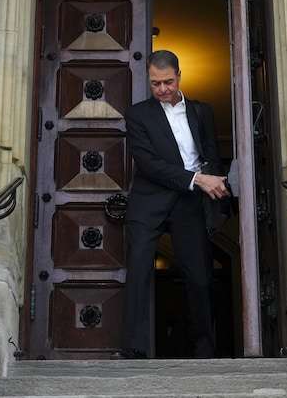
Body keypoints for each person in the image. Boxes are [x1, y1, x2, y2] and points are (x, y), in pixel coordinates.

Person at [120, 50, 229, 359]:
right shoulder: (137, 114)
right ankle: (134, 348)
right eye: (156, 84)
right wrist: (197, 179)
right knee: (140, 269)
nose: (163, 89)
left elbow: (211, 153)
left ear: (179, 77)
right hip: (149, 200)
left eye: (168, 82)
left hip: (190, 203)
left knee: (199, 276)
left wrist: (213, 181)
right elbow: (148, 163)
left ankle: (205, 349)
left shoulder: (202, 111)